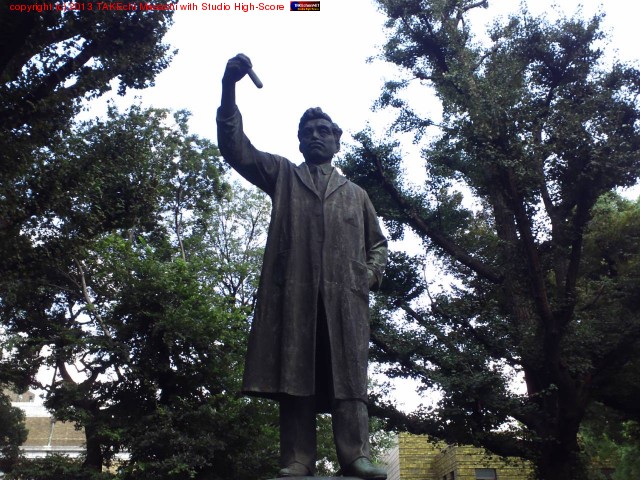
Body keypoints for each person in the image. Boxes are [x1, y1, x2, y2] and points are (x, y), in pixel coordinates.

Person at [216, 53, 388, 479]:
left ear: (337, 142)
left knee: (350, 380)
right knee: (296, 374)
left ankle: (356, 456)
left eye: (323, 131)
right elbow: (236, 149)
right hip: (295, 297)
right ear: (299, 142)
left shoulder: (356, 194)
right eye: (308, 132)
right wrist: (228, 88)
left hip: (345, 300)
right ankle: (297, 458)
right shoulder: (283, 176)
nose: (315, 136)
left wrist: (367, 276)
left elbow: (378, 244)